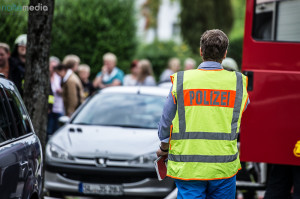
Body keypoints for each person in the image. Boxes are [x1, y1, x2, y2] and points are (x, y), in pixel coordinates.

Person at [156, 29, 250, 199]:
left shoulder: (182, 80)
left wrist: (164, 146)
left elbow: (166, 120)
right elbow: (243, 109)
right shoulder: (237, 82)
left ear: (201, 51)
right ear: (225, 53)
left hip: (189, 167)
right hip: (223, 168)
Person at [47, 56, 64, 138]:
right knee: (49, 130)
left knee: (58, 130)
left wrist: (61, 91)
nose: (53, 68)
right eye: (52, 66)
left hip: (58, 107)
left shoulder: (60, 77)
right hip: (49, 108)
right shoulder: (46, 77)